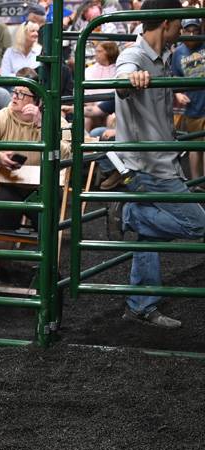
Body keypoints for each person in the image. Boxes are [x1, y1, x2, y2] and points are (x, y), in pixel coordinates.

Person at [113, 0, 205, 328]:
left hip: (160, 161)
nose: (183, 27)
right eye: (179, 21)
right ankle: (132, 213)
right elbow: (123, 75)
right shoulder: (134, 57)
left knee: (149, 235)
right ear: (166, 22)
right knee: (198, 225)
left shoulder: (166, 55)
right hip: (148, 167)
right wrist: (130, 78)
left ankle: (141, 305)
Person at [0, 67, 71, 232]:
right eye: (14, 91)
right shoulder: (2, 116)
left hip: (42, 185)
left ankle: (45, 256)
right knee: (6, 210)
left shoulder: (55, 119)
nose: (14, 96)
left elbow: (65, 153)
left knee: (46, 218)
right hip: (7, 183)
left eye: (22, 94)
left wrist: (42, 126)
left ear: (39, 101)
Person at [172, 19, 205, 179]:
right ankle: (198, 184)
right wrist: (178, 93)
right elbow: (174, 78)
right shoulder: (178, 52)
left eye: (195, 30)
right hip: (194, 107)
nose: (192, 34)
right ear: (182, 31)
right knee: (195, 147)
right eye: (188, 30)